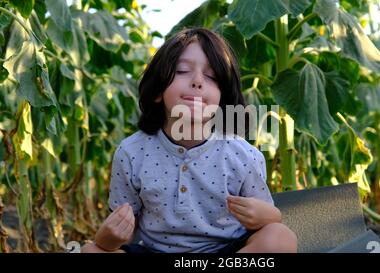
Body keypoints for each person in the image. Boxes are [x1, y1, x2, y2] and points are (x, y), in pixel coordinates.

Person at [81, 27, 297, 253]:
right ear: (157, 90)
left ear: (222, 100)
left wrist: (271, 215)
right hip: (156, 251)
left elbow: (268, 220)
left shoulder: (244, 155)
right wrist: (106, 239)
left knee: (280, 237)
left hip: (226, 252)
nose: (197, 81)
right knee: (89, 252)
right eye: (182, 71)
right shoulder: (131, 153)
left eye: (211, 76)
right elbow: (121, 234)